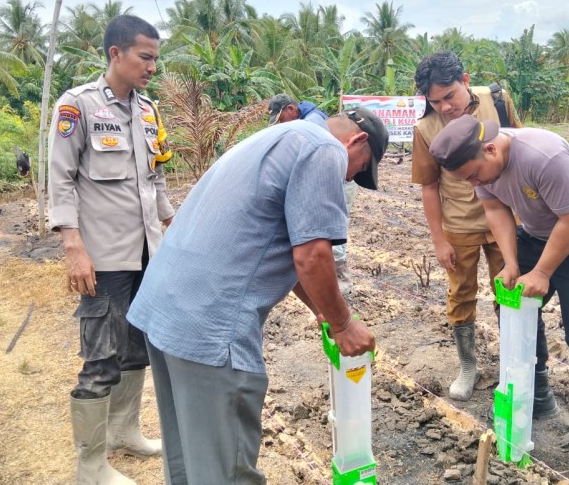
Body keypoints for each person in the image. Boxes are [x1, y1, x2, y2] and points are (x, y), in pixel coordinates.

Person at [127, 106, 389, 484]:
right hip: (211, 325)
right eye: (360, 170)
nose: (350, 178)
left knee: (189, 461)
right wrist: (345, 324)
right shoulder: (323, 149)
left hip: (167, 310)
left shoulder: (283, 135)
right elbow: (312, 255)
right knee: (224, 471)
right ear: (358, 140)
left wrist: (323, 311)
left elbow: (290, 249)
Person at [428, 114, 569, 481]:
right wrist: (513, 263)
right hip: (539, 233)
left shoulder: (542, 155)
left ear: (490, 148)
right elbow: (494, 209)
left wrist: (543, 272)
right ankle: (537, 395)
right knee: (511, 304)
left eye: (473, 176)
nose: (473, 184)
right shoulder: (481, 166)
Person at [48, 15, 176, 484]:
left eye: (156, 59)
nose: (152, 68)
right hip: (103, 257)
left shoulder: (148, 110)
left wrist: (170, 222)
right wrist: (72, 245)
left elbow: (156, 174)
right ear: (115, 54)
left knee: (137, 348)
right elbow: (59, 178)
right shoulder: (77, 106)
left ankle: (125, 432)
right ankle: (90, 465)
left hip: (147, 254)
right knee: (100, 358)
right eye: (145, 57)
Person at [411, 51, 522, 401]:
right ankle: (468, 366)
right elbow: (430, 187)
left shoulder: (498, 102)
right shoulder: (425, 129)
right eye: (436, 101)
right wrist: (439, 241)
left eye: (450, 97)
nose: (445, 107)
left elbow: (519, 147)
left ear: (465, 80)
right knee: (461, 294)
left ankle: (514, 364)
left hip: (505, 216)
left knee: (510, 290)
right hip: (460, 224)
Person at [268, 92, 358, 291]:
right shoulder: (308, 119)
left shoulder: (312, 122)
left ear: (291, 109)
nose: (281, 125)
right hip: (332, 177)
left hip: (340, 178)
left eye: (281, 119)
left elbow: (319, 160)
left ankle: (340, 280)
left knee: (332, 226)